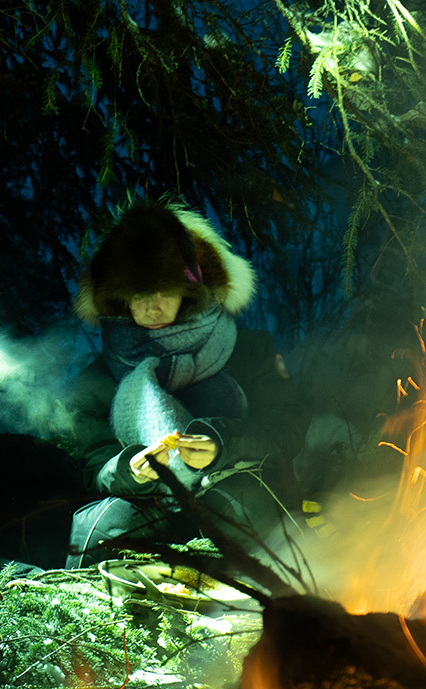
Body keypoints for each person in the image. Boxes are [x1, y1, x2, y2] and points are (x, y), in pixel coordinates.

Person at [64, 200, 307, 569]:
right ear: (120, 297)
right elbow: (94, 464)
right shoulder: (99, 376)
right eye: (139, 294)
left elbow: (286, 428)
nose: (152, 308)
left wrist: (223, 445)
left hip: (234, 492)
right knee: (103, 526)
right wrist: (130, 469)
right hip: (148, 505)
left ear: (189, 289)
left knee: (239, 511)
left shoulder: (248, 351)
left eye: (164, 290)